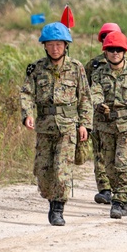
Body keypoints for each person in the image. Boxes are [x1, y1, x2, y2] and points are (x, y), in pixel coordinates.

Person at [20, 22, 92, 226]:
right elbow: (26, 93)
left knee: (62, 170)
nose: (55, 48)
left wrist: (84, 124)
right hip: (44, 127)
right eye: (50, 44)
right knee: (43, 172)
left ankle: (58, 209)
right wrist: (27, 114)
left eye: (59, 44)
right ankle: (50, 198)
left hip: (68, 127)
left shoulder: (76, 68)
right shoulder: (36, 68)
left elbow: (85, 98)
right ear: (44, 46)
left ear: (66, 45)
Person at [87, 30, 127, 219]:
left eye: (119, 50)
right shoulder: (99, 73)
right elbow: (94, 92)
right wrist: (99, 104)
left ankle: (120, 202)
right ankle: (121, 193)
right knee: (109, 167)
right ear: (105, 52)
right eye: (111, 50)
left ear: (124, 52)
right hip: (105, 127)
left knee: (123, 164)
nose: (115, 53)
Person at [85, 22, 121, 205]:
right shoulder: (94, 64)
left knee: (119, 155)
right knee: (100, 153)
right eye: (106, 36)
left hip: (121, 118)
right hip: (98, 115)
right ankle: (104, 188)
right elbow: (83, 88)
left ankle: (120, 190)